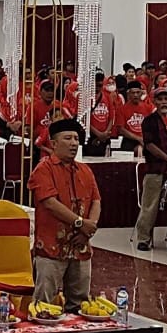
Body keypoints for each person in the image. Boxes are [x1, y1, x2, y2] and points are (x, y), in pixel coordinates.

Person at [29, 118, 101, 311]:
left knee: (80, 303)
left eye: (76, 138)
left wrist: (88, 229)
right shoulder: (43, 169)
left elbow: (96, 201)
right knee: (43, 303)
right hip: (51, 246)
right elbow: (50, 203)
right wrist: (81, 223)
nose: (74, 143)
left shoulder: (85, 170)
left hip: (80, 245)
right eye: (67, 138)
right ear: (53, 144)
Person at [133, 87, 167, 251]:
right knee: (150, 205)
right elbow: (149, 145)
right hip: (155, 168)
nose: (164, 102)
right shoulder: (149, 121)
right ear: (155, 101)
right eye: (161, 99)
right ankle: (144, 239)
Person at [115, 81, 149, 154]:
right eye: (133, 93)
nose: (135, 95)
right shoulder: (122, 109)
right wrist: (138, 139)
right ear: (128, 94)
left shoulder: (147, 108)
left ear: (141, 93)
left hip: (145, 140)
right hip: (129, 141)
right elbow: (121, 129)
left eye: (137, 92)